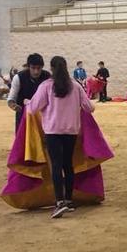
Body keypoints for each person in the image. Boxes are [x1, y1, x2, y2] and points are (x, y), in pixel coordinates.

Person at [28, 56, 95, 219]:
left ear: (51, 69)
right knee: (68, 165)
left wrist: (26, 103)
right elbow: (89, 107)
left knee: (56, 165)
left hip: (52, 131)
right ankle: (68, 199)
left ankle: (59, 202)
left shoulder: (46, 86)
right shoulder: (75, 86)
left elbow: (33, 108)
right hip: (71, 130)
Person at [7, 53, 51, 131]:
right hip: (23, 116)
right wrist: (14, 105)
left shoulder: (48, 77)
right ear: (28, 66)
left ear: (42, 67)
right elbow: (11, 98)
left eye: (39, 68)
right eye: (33, 68)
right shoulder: (18, 78)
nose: (36, 71)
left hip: (43, 117)